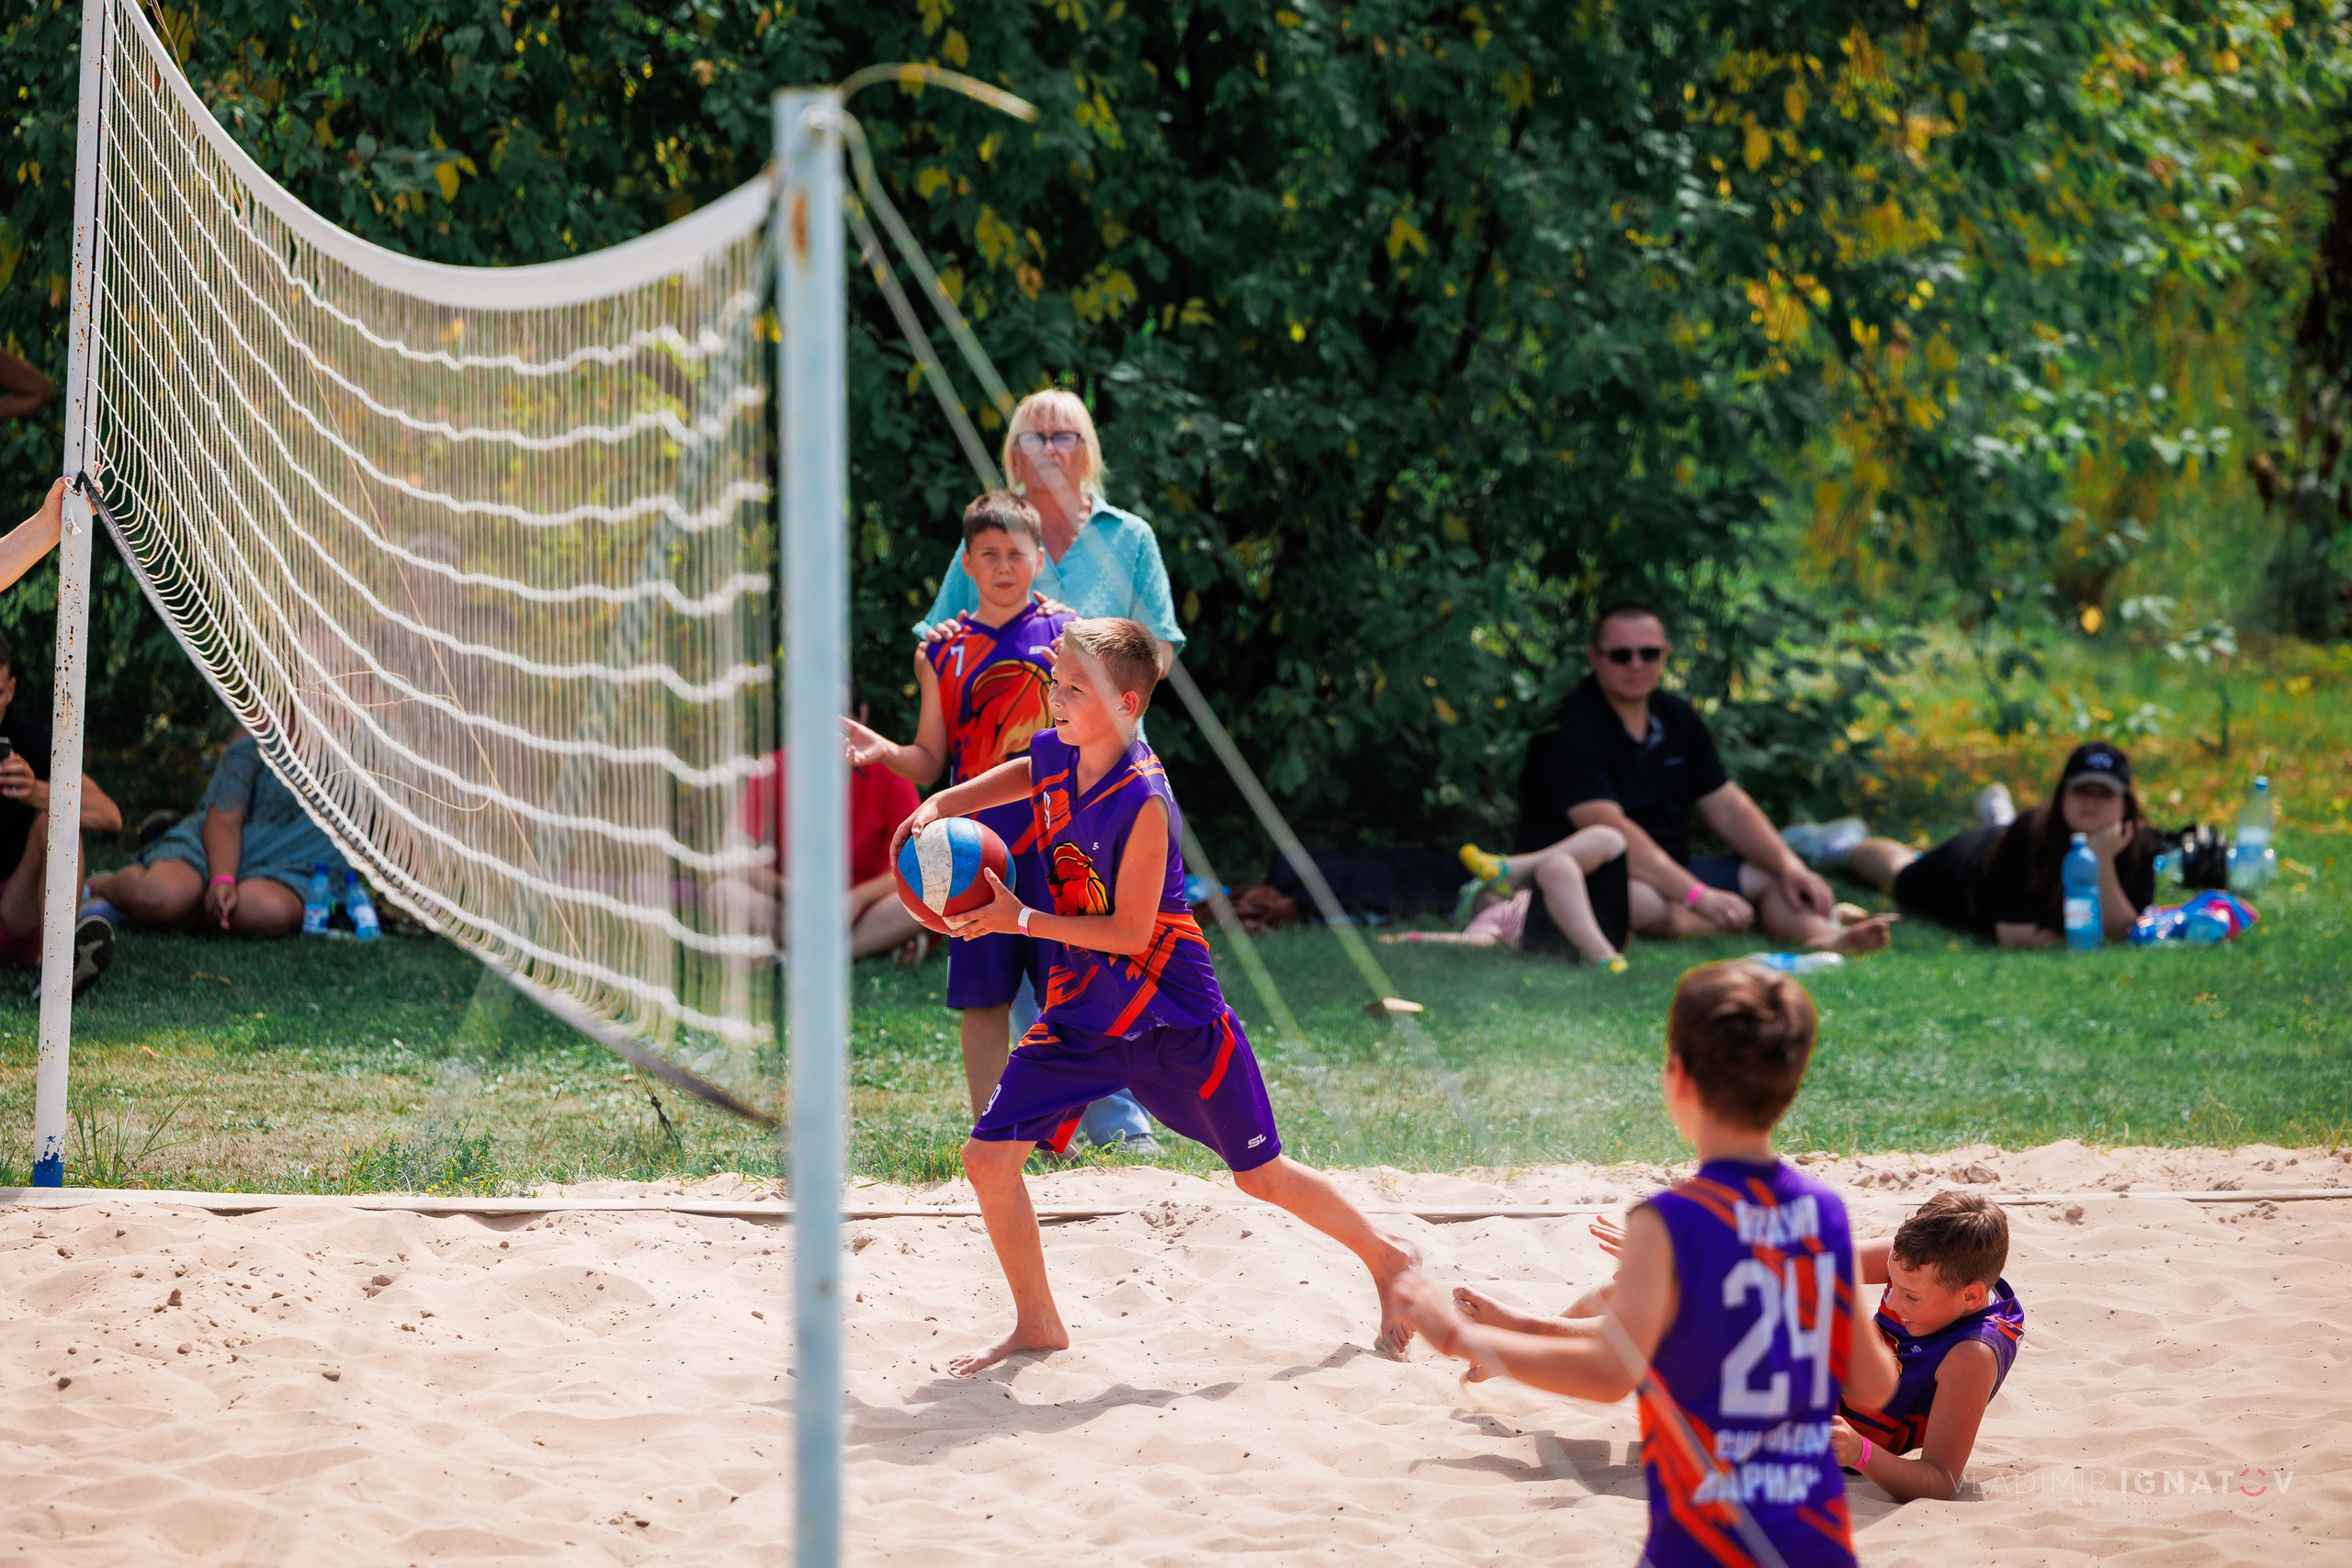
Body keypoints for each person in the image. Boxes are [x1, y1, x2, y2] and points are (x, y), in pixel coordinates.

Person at [890, 617, 1420, 1376]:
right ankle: (1039, 1323)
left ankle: (1390, 1259)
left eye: (1075, 689)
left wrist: (1020, 919)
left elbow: (1133, 931)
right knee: (987, 1158)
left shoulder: (1144, 801)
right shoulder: (1059, 753)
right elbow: (1018, 774)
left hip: (1173, 1017)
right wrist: (944, 803)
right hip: (1082, 1016)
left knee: (1261, 1175)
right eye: (1056, 682)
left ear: (1129, 704)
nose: (1056, 698)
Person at [1393, 960, 1901, 1568]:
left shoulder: (1665, 1221)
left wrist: (1462, 1337)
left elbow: (1610, 1371)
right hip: (1813, 1538)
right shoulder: (1824, 1209)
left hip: (1702, 1541)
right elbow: (1874, 1384)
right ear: (1790, 1086)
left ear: (1677, 1077)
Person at [916, 389, 1184, 1154]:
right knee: (1017, 944)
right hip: (1009, 782)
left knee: (1102, 937)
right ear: (1013, 453)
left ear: (1087, 447)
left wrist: (1107, 696)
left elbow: (1158, 646)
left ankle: (1119, 1117)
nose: (1049, 449)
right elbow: (944, 627)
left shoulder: (1127, 536)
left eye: (1064, 435)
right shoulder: (995, 534)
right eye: (1034, 438)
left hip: (1105, 773)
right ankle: (1031, 1123)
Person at [845, 491, 1071, 1114]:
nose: (1004, 566)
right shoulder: (941, 652)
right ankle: (992, 1126)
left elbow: (1098, 737)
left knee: (1068, 993)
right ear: (966, 563)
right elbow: (929, 757)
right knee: (984, 998)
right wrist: (884, 748)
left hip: (1058, 846)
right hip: (974, 856)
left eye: (1017, 553)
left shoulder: (1067, 633)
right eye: (989, 554)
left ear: (1038, 558)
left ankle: (1058, 1127)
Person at [1519, 602, 1890, 955]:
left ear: (1664, 654)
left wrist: (1790, 866)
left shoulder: (1677, 717)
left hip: (1677, 867)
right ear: (1595, 658)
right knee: (1639, 900)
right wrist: (1699, 896)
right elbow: (1608, 829)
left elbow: (1727, 805)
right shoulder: (1570, 729)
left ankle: (1827, 940)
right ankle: (1723, 918)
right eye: (1621, 655)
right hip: (1602, 873)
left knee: (1777, 877)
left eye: (1648, 653)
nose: (1636, 664)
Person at [1830, 741, 2154, 946]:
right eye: (2082, 791)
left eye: (2105, 795)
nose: (2091, 803)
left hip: (2004, 846)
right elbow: (2014, 935)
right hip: (1968, 868)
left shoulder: (2138, 843)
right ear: (2062, 795)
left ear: (2125, 804)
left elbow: (2121, 930)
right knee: (1902, 872)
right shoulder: (2030, 835)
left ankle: (1999, 816)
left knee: (2005, 832)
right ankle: (1840, 844)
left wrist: (2103, 861)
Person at [0, 481, 122, 996]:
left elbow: (110, 816)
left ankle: (58, 968)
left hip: (14, 910)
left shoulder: (25, 739)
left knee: (59, 816)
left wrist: (35, 793)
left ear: (9, 689)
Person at [1834, 1191, 2024, 1502]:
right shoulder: (1915, 1267)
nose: (1893, 1302)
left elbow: (1939, 1480)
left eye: (1910, 1297)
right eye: (1891, 1284)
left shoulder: (1971, 1355)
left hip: (1844, 1439)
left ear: (1970, 1297)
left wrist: (1859, 1451)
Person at [88, 727, 345, 937]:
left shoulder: (378, 718)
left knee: (263, 910)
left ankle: (165, 913)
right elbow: (226, 815)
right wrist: (223, 879)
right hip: (217, 843)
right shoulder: (264, 718)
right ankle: (99, 888)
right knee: (163, 896)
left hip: (303, 869)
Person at [739, 686, 925, 962]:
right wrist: (793, 891)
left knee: (925, 895)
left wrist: (857, 898)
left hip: (866, 908)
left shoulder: (890, 771)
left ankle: (804, 952)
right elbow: (733, 854)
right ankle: (871, 945)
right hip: (791, 906)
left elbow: (916, 862)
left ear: (860, 716)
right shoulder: (773, 767)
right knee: (724, 894)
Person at [1382, 828, 1632, 971]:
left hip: (1592, 923)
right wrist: (1412, 937)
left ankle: (1510, 869)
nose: (1491, 897)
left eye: (1489, 888)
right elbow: (1473, 942)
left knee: (1611, 838)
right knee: (1557, 866)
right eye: (1481, 896)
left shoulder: (1530, 894)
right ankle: (1603, 956)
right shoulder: (1493, 917)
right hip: (1550, 936)